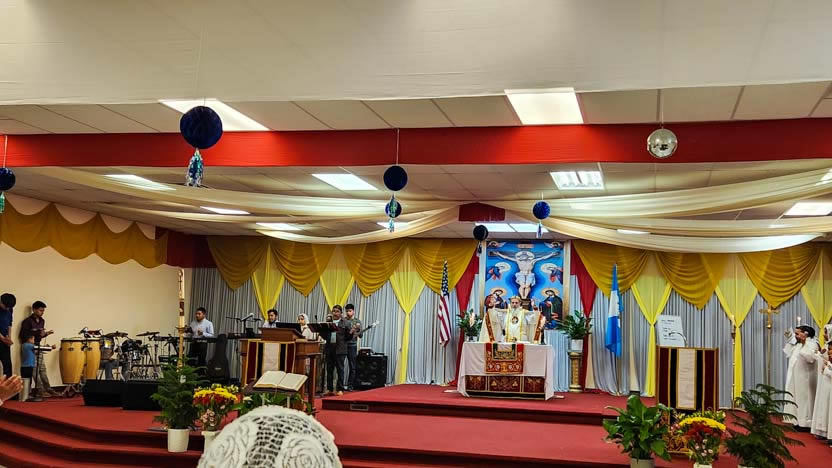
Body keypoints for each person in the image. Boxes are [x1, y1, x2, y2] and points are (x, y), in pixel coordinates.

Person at [18, 300, 59, 397]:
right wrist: (32, 336)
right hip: (29, 347)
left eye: (43, 311)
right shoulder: (27, 321)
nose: (42, 312)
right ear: (34, 309)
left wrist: (46, 333)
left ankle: (48, 389)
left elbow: (40, 335)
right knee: (34, 369)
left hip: (38, 346)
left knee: (42, 369)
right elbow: (23, 335)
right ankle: (40, 390)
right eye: (40, 310)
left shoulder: (42, 321)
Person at [783, 325, 820, 431]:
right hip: (797, 377)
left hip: (806, 378)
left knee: (805, 400)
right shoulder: (799, 345)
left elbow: (810, 358)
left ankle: (805, 423)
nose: (796, 335)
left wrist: (804, 343)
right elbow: (789, 354)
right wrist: (790, 340)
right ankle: (797, 421)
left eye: (797, 333)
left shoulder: (813, 344)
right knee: (797, 399)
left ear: (806, 334)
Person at [489, 250, 558, 299]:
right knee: (522, 286)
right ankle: (522, 297)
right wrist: (498, 254)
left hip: (530, 274)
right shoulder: (518, 261)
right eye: (522, 256)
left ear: (528, 257)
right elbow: (507, 257)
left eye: (524, 256)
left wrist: (551, 254)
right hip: (521, 274)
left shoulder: (532, 261)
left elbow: (542, 258)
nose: (523, 257)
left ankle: (525, 296)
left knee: (527, 286)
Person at [811, 326, 832, 439]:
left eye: (826, 332)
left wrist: (826, 364)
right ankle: (822, 430)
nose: (824, 335)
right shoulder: (826, 345)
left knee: (828, 405)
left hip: (828, 379)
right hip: (823, 378)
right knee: (823, 403)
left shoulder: (829, 346)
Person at [322, 306, 343, 396]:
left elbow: (348, 337)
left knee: (340, 370)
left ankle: (340, 389)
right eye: (333, 311)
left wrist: (351, 332)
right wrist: (321, 329)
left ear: (341, 313)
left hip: (340, 349)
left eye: (337, 311)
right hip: (329, 348)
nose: (335, 313)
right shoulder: (328, 323)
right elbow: (325, 336)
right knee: (329, 369)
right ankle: (329, 389)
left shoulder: (345, 323)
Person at [343, 304, 361, 391]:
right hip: (343, 345)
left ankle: (350, 386)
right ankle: (340, 385)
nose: (348, 313)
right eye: (346, 311)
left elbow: (361, 335)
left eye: (350, 311)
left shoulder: (357, 321)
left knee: (352, 366)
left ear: (353, 311)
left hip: (352, 345)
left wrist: (358, 330)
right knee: (340, 365)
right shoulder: (343, 320)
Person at [0, 293, 16, 379]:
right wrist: (3, 339)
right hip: (1, 338)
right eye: (6, 307)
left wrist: (9, 338)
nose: (8, 309)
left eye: (9, 308)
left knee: (8, 366)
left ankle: (9, 385)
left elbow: (9, 324)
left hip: (5, 339)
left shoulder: (10, 309)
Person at [20, 335, 35, 401]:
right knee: (28, 381)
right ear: (29, 339)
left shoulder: (23, 345)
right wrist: (51, 347)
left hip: (23, 366)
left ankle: (23, 395)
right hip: (28, 366)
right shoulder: (29, 345)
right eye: (33, 339)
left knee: (24, 381)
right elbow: (38, 348)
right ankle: (27, 395)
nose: (33, 341)